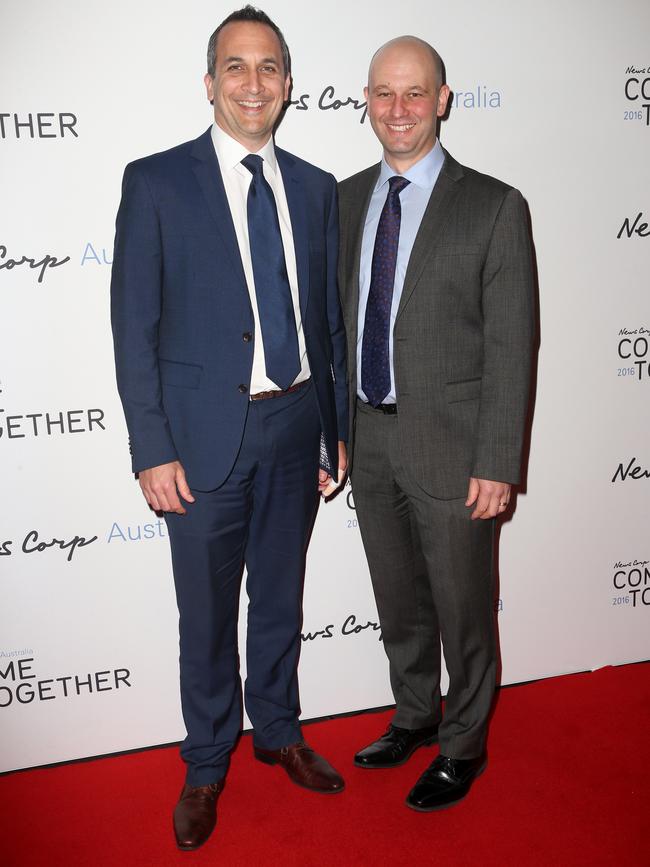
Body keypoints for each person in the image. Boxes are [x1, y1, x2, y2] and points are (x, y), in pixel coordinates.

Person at [111, 6, 348, 851]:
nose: (255, 83)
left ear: (288, 84)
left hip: (295, 426)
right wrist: (152, 447)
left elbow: (326, 324)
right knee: (205, 613)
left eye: (270, 67)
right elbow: (133, 328)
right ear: (210, 83)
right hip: (204, 439)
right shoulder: (157, 182)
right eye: (237, 68)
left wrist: (335, 427)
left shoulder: (318, 187)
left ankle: (279, 730)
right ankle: (208, 760)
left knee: (279, 597)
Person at [338, 36, 534, 812]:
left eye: (414, 93)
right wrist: (338, 434)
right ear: (367, 100)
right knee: (398, 601)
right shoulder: (346, 199)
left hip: (457, 452)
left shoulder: (494, 205)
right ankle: (416, 715)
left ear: (443, 99)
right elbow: (334, 328)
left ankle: (463, 744)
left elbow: (513, 343)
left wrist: (497, 461)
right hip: (371, 437)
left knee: (463, 607)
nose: (398, 109)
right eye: (384, 93)